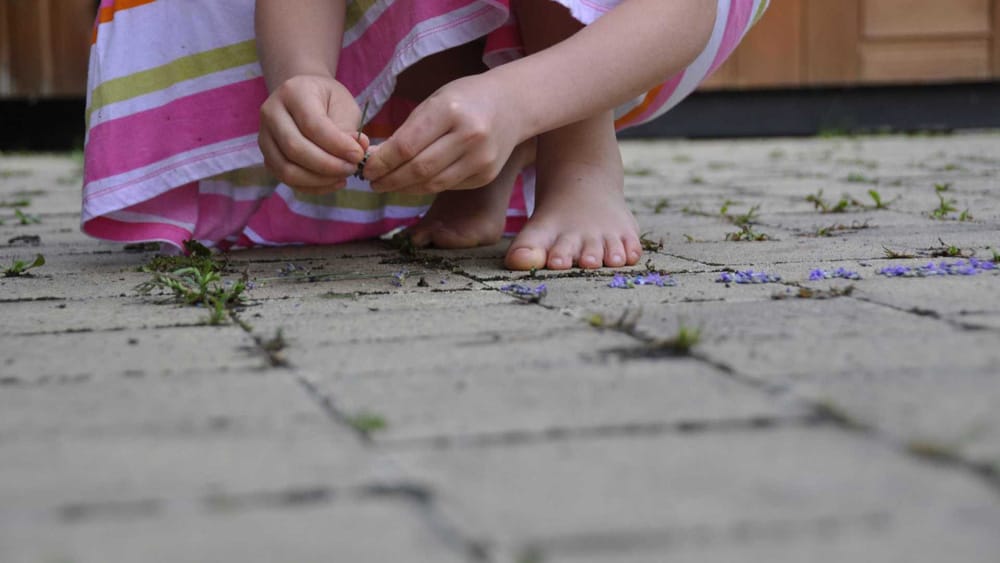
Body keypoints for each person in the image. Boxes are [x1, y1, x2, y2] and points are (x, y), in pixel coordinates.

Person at [83, 0, 768, 270]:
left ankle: (579, 160)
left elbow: (683, 13)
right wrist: (303, 76)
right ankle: (480, 161)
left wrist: (519, 98)